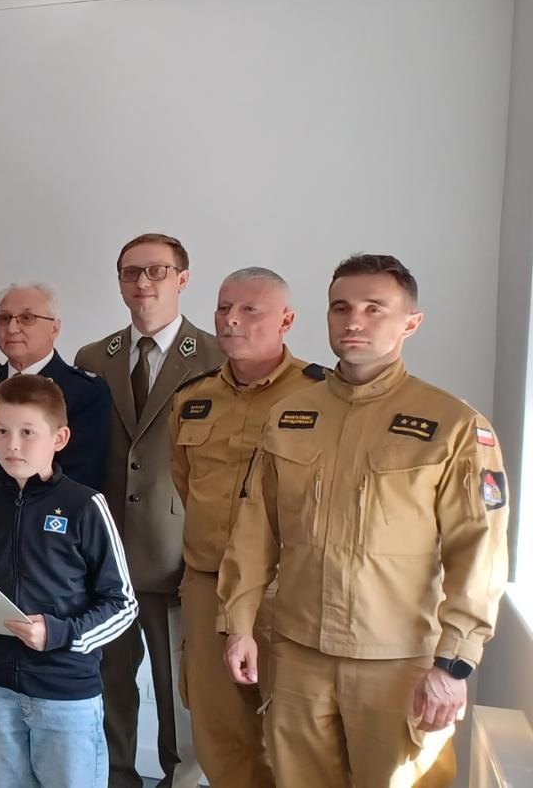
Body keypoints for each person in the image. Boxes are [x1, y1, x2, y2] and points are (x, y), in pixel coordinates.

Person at [221, 255, 510, 787]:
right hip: (299, 656)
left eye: (375, 308)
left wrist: (453, 664)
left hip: (399, 663)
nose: (354, 321)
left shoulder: (452, 425)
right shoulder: (291, 416)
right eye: (341, 308)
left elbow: (479, 552)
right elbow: (254, 532)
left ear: (410, 323)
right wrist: (239, 625)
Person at [0, 281, 112, 787]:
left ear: (55, 327)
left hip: (50, 595)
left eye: (27, 317)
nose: (13, 327)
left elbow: (82, 479)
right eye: (3, 318)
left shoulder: (84, 391)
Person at [74, 233, 222, 788]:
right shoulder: (94, 357)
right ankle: (114, 777)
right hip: (106, 555)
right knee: (107, 683)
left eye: (157, 270)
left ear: (182, 278)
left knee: (179, 689)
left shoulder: (215, 356)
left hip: (177, 552)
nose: (143, 282)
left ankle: (181, 780)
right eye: (130, 272)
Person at [0, 373, 137, 788]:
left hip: (65, 694)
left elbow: (123, 605)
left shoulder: (86, 505)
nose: (12, 445)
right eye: (2, 431)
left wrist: (57, 634)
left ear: (59, 438)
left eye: (27, 432)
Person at [167, 267, 320, 786]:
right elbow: (186, 484)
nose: (230, 319)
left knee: (295, 738)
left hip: (287, 592)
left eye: (249, 309)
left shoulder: (320, 397)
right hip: (208, 587)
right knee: (219, 734)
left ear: (286, 320)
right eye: (223, 307)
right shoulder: (193, 398)